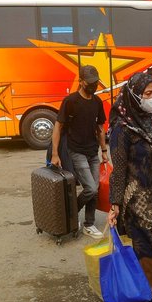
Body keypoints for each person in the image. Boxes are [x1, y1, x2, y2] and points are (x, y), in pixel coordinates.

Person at [107, 73, 152, 302]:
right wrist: (115, 203)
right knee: (144, 239)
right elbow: (119, 170)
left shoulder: (151, 119)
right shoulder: (121, 129)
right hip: (136, 195)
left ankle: (143, 268)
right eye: (147, 94)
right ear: (134, 95)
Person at [51, 65, 108, 239]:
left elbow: (100, 128)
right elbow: (58, 126)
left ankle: (89, 224)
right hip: (76, 151)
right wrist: (55, 153)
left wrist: (104, 150)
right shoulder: (70, 101)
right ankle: (71, 213)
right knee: (90, 188)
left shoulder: (97, 102)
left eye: (96, 82)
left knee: (95, 189)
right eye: (90, 82)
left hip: (93, 151)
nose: (93, 85)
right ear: (81, 82)